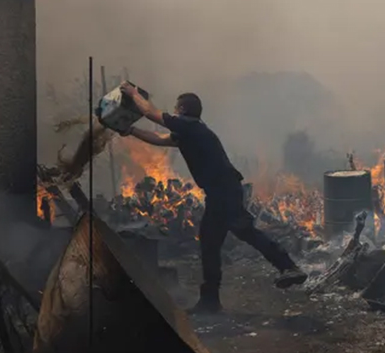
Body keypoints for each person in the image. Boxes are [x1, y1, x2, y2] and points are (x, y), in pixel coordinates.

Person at [114, 82, 307, 314]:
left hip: (223, 191)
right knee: (214, 242)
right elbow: (159, 139)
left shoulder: (189, 125)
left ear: (183, 109)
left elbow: (150, 113)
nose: (174, 112)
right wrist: (130, 131)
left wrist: (134, 94)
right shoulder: (190, 131)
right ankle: (213, 299)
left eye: (176, 108)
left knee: (237, 235)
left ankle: (286, 268)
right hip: (222, 192)